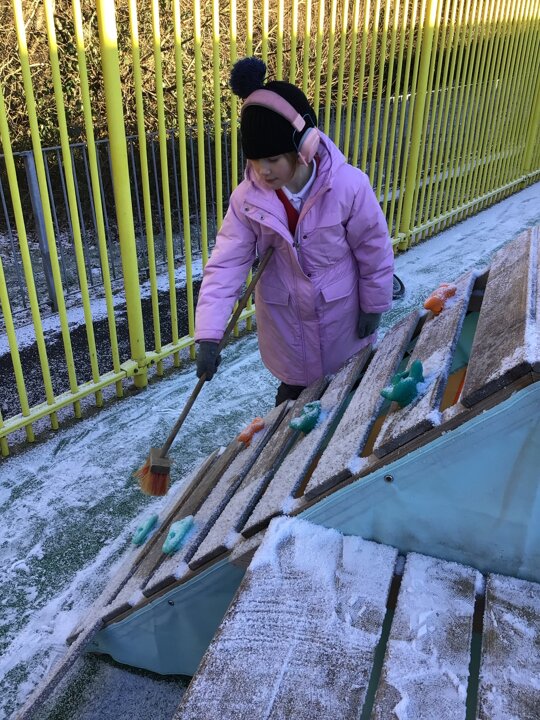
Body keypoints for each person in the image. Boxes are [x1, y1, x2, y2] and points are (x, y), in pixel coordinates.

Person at [195, 56, 394, 406]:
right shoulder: (247, 201)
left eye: (273, 159)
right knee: (293, 416)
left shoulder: (347, 186)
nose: (263, 170)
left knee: (354, 405)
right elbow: (226, 264)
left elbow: (373, 247)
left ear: (304, 146)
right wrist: (209, 334)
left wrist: (374, 305)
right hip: (289, 338)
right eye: (255, 160)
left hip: (343, 327)